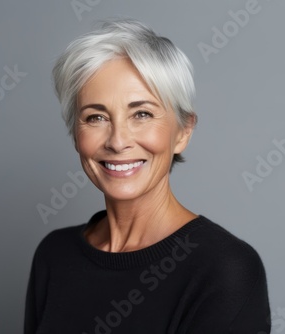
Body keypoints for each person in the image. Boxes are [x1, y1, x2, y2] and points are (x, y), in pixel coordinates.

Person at [25, 18, 271, 333]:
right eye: (96, 117)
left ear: (183, 131)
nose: (117, 141)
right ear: (75, 133)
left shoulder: (225, 269)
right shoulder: (54, 255)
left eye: (142, 114)